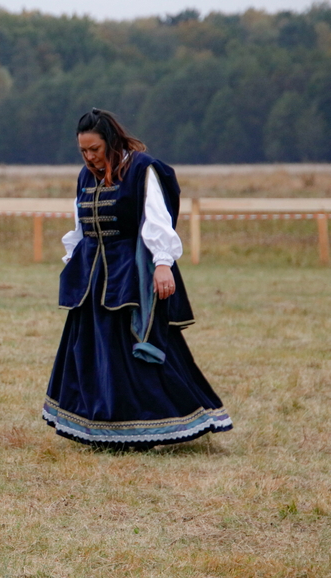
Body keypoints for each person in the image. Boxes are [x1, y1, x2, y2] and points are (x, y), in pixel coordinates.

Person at [43, 109, 232, 450]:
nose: (89, 157)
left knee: (135, 353)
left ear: (111, 141)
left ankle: (155, 425)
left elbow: (156, 219)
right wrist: (73, 261)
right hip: (92, 282)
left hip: (130, 278)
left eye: (95, 149)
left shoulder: (142, 169)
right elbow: (81, 225)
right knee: (91, 354)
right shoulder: (85, 177)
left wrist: (163, 264)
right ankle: (101, 428)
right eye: (83, 151)